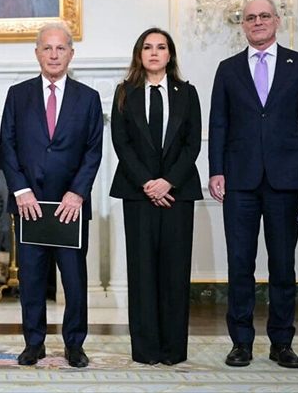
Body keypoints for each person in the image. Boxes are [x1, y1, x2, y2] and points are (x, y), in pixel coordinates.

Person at [209, 0, 298, 369]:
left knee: (283, 265)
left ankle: (282, 343)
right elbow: (218, 124)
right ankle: (241, 342)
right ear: (242, 25)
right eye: (250, 17)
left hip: (286, 179)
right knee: (240, 264)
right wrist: (215, 171)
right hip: (239, 180)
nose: (257, 21)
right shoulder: (228, 69)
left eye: (264, 16)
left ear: (277, 20)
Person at [0, 22, 103, 368]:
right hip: (29, 206)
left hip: (70, 207)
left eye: (61, 48)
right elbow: (7, 145)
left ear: (71, 54)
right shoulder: (18, 95)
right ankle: (34, 342)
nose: (54, 55)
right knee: (30, 279)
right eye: (47, 48)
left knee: (74, 280)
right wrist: (20, 190)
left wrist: (78, 193)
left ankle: (74, 344)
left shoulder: (88, 98)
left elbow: (93, 150)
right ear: (37, 53)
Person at [109, 28, 202, 365]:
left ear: (169, 54)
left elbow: (192, 143)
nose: (153, 53)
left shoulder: (187, 93)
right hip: (138, 194)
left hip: (178, 194)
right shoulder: (125, 92)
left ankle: (173, 350)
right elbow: (121, 143)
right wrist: (149, 183)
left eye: (160, 47)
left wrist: (168, 182)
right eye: (147, 47)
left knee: (175, 273)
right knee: (142, 272)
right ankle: (146, 350)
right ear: (139, 54)